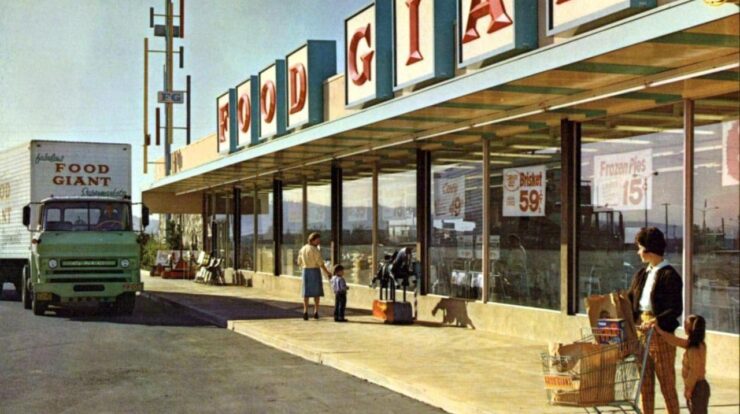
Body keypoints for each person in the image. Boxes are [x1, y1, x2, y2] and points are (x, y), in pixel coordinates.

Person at [627, 227, 683, 414]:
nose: (638, 252)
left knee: (666, 383)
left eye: (640, 247)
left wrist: (656, 321)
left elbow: (675, 308)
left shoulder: (669, 275)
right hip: (640, 331)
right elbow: (629, 300)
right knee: (645, 384)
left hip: (661, 333)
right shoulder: (641, 274)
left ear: (650, 250)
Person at [651, 315, 710, 414]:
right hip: (698, 387)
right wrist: (660, 331)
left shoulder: (694, 349)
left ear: (693, 327)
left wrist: (689, 389)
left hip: (697, 388)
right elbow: (675, 341)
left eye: (687, 323)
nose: (684, 325)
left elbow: (694, 372)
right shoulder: (695, 344)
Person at [297, 232, 331, 320]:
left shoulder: (303, 248)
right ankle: (316, 311)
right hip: (315, 271)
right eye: (317, 240)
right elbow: (321, 263)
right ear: (312, 240)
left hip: (305, 271)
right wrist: (327, 272)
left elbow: (299, 262)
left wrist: (304, 265)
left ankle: (305, 311)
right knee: (316, 293)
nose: (319, 242)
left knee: (306, 293)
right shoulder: (315, 250)